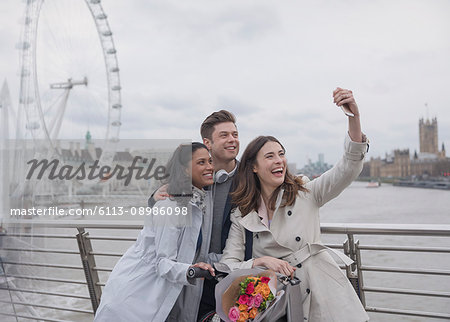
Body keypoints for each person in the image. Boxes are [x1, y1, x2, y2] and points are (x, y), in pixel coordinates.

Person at [220, 88, 370, 321]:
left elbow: (347, 169)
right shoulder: (242, 214)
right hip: (279, 303)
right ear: (254, 167)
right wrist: (260, 262)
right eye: (269, 156)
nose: (279, 160)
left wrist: (354, 118)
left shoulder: (305, 191)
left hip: (323, 291)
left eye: (281, 154)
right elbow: (228, 265)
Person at [94, 142, 215, 322]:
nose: (210, 167)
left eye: (210, 161)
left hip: (154, 293)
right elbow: (163, 263)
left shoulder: (196, 205)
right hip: (137, 293)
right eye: (201, 162)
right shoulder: (170, 205)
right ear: (185, 170)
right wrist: (191, 271)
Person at [150, 110, 241, 319]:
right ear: (207, 142)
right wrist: (155, 197)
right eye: (224, 135)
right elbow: (163, 206)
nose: (232, 140)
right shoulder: (196, 178)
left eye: (235, 134)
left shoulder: (248, 178)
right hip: (190, 273)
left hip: (227, 272)